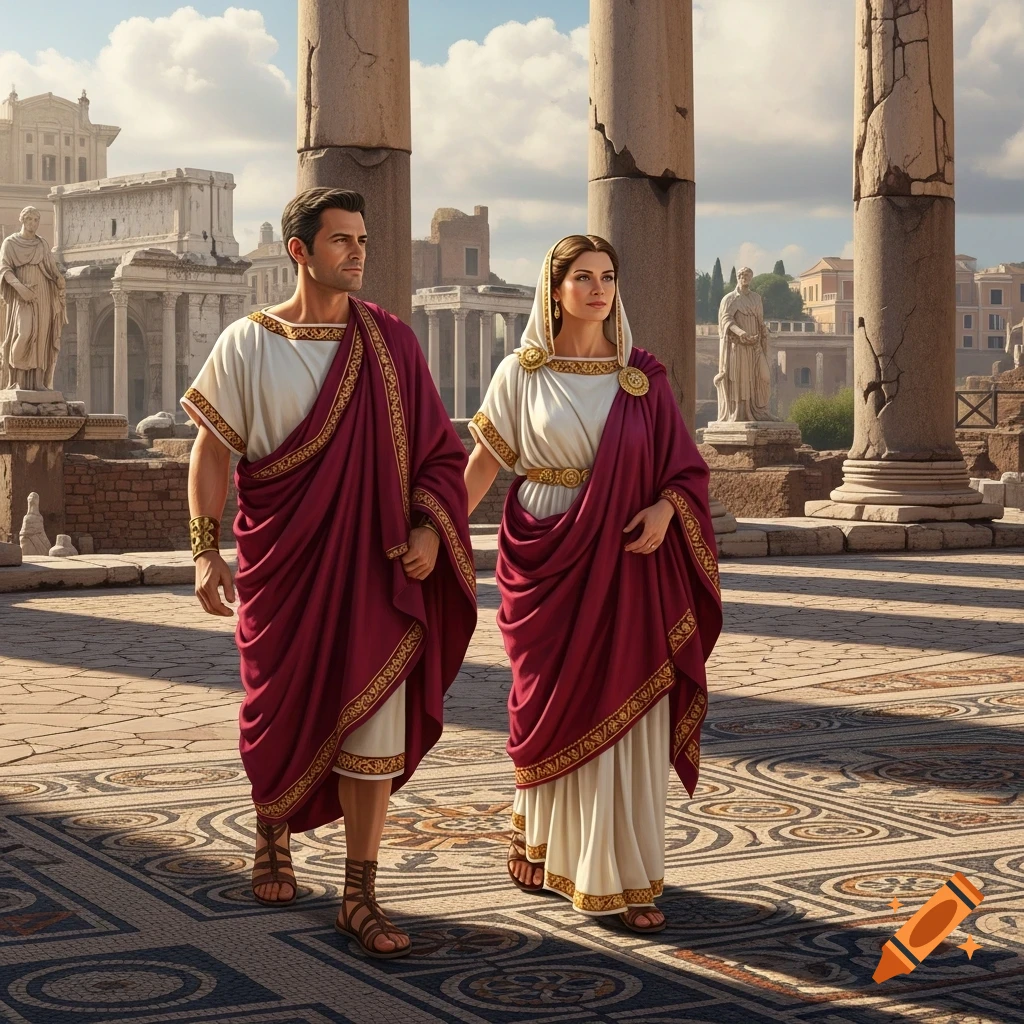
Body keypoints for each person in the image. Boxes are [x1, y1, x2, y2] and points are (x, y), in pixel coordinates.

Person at [182, 188, 476, 959]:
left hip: (374, 570)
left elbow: (441, 455)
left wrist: (429, 531)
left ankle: (360, 892)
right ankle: (272, 829)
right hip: (281, 571)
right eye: (341, 240)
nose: (357, 253)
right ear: (300, 251)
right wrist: (203, 548)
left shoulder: (392, 343)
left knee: (372, 725)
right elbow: (212, 451)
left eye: (363, 240)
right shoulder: (247, 342)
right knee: (276, 711)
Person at [465, 235, 721, 933]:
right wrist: (435, 528)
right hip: (546, 554)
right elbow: (485, 465)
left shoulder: (643, 377)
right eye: (583, 277)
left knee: (626, 709)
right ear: (555, 288)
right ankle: (540, 840)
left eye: (608, 276)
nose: (598, 289)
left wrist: (668, 510)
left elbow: (685, 471)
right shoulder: (522, 372)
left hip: (628, 559)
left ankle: (623, 874)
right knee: (544, 701)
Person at [0, 206, 67, 390]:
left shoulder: (42, 244)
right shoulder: (10, 243)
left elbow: (52, 268)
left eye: (36, 220)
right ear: (22, 220)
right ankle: (16, 379)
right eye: (29, 219)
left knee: (42, 337)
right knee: (24, 333)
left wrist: (59, 279)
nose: (33, 224)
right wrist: (20, 288)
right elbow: (5, 270)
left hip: (43, 294)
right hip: (21, 295)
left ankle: (38, 383)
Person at [713, 266, 773, 422]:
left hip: (755, 345)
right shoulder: (729, 299)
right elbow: (726, 320)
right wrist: (741, 333)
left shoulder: (756, 298)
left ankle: (761, 410)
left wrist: (763, 334)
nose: (744, 277)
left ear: (751, 278)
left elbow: (759, 321)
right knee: (741, 379)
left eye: (747, 275)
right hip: (738, 346)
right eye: (741, 275)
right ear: (737, 278)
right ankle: (741, 412)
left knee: (764, 377)